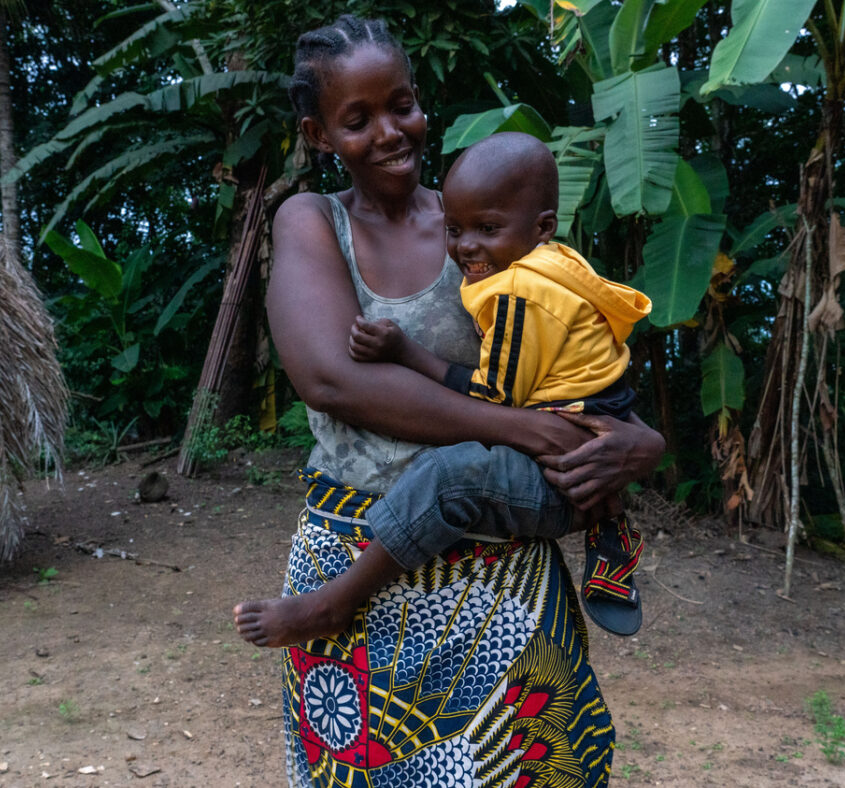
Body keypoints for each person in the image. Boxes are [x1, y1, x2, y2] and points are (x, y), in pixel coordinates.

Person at [231, 15, 663, 786]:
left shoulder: (485, 221)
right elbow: (332, 380)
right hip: (353, 563)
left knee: (534, 768)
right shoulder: (311, 221)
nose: (390, 131)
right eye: (357, 119)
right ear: (320, 134)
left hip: (499, 577)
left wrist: (642, 442)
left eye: (401, 104)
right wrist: (524, 431)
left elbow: (576, 352)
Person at [239, 131, 651, 644]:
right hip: (551, 475)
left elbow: (497, 396)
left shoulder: (521, 290)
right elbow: (330, 383)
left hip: (553, 492)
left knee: (449, 475)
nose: (465, 244)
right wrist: (548, 430)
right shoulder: (550, 265)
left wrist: (406, 352)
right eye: (454, 230)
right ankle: (611, 537)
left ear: (541, 227)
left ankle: (336, 603)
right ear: (318, 133)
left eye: (486, 229)